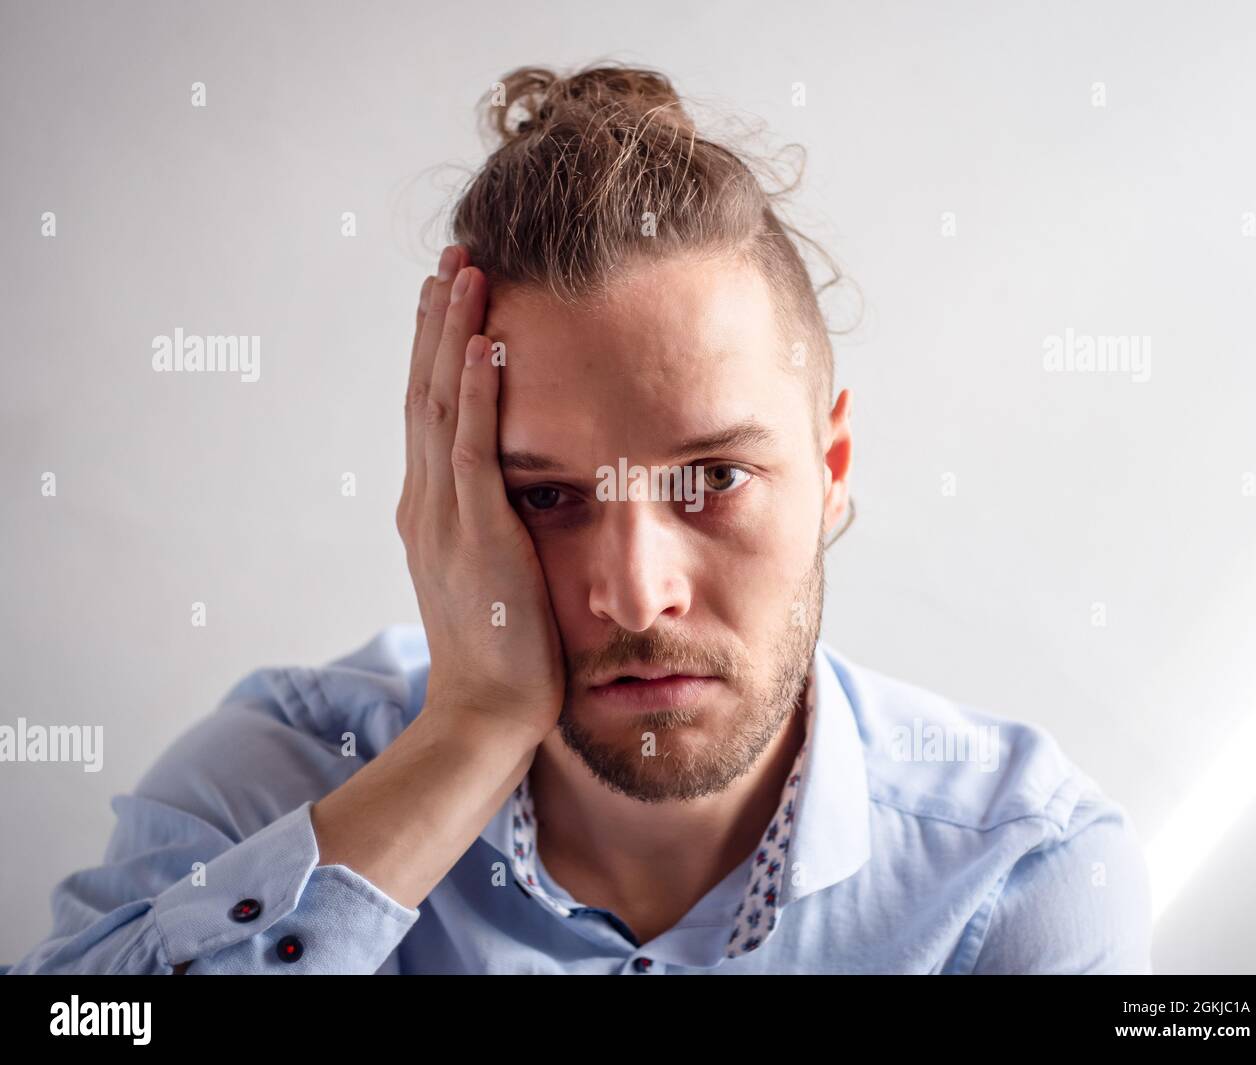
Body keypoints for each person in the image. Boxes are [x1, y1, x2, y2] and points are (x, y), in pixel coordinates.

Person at [5, 62, 1151, 975]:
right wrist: (469, 730)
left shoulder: (1016, 877)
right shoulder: (274, 784)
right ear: (445, 496)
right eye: (544, 497)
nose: (635, 591)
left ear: (831, 464)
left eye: (709, 480)